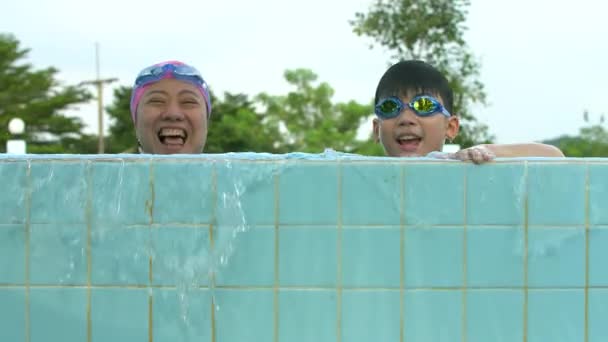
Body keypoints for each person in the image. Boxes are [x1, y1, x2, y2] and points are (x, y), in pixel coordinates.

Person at [372, 60, 564, 163]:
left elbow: (554, 156)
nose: (406, 119)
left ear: (451, 127)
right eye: (390, 107)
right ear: (376, 129)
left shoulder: (460, 169)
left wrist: (489, 151)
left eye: (424, 106)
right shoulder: (362, 174)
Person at [129, 60, 211, 154]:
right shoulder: (112, 168)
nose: (173, 114)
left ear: (206, 124)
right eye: (157, 101)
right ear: (136, 123)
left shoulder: (229, 167)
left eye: (188, 102)